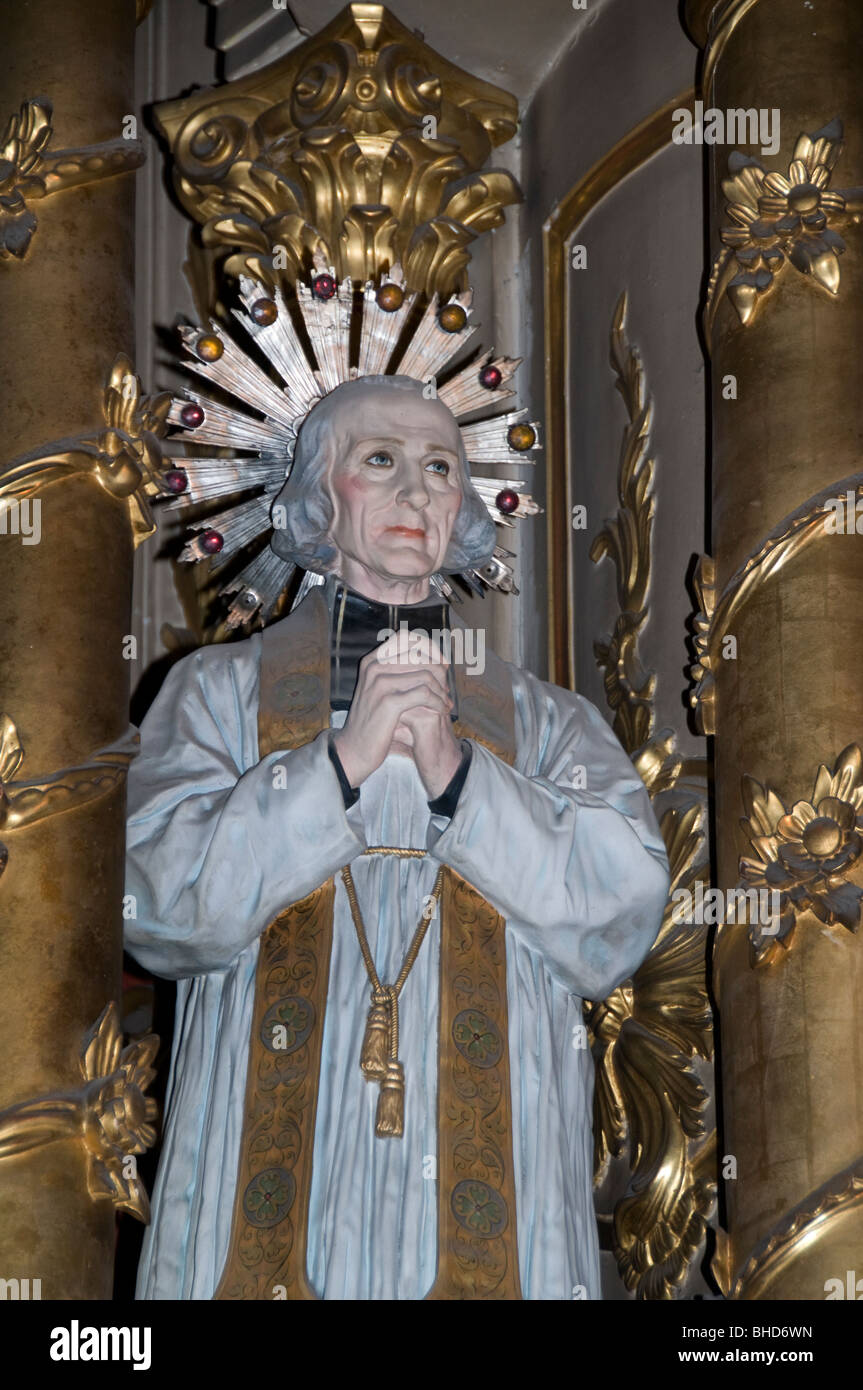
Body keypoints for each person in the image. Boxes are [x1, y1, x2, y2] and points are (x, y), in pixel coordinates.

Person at [125, 373, 669, 1300]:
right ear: (314, 499)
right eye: (380, 461)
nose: (416, 492)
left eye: (440, 467)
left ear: (465, 503)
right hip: (258, 1187)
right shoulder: (217, 695)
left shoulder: (547, 721)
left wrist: (462, 776)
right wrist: (337, 763)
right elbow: (157, 907)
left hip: (504, 1188)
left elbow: (619, 916)